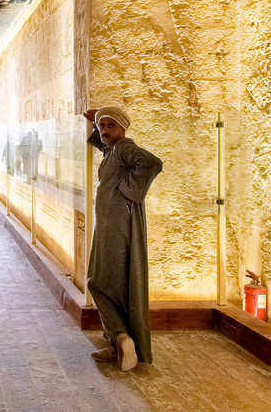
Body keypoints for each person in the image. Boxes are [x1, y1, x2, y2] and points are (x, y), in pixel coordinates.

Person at [84, 106, 162, 371]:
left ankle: (121, 336)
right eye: (102, 126)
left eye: (110, 126)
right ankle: (118, 342)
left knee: (99, 281)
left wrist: (129, 191)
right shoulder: (113, 151)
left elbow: (152, 163)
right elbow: (103, 144)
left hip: (117, 226)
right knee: (110, 282)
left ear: (123, 128)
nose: (105, 131)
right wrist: (95, 122)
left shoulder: (125, 147)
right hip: (109, 225)